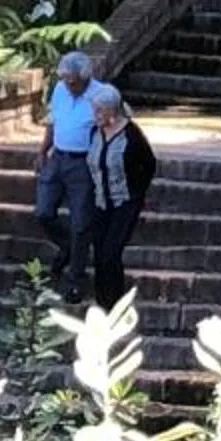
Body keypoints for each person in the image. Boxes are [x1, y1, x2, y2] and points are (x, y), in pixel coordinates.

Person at [83, 84, 157, 309]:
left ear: (112, 113)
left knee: (111, 253)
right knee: (98, 253)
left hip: (125, 202)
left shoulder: (131, 134)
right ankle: (102, 302)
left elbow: (149, 163)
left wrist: (138, 192)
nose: (95, 116)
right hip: (100, 200)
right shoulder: (95, 132)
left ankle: (115, 304)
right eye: (94, 110)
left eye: (99, 111)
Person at [34, 50, 99, 291]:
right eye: (66, 81)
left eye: (73, 82)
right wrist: (42, 151)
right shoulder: (60, 90)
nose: (69, 86)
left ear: (85, 78)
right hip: (58, 157)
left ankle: (75, 279)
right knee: (43, 212)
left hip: (83, 162)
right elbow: (53, 121)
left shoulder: (100, 95)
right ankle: (68, 246)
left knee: (81, 223)